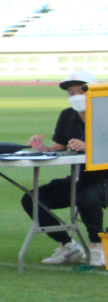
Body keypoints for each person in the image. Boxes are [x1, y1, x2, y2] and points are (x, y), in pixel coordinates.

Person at [24, 70, 106, 267]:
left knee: (86, 198)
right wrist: (41, 148)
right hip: (81, 178)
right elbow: (58, 148)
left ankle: (97, 247)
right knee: (32, 199)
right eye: (71, 92)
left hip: (104, 178)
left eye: (81, 90)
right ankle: (67, 245)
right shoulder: (67, 116)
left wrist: (90, 147)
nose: (76, 95)